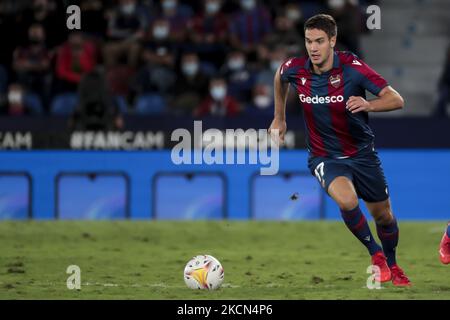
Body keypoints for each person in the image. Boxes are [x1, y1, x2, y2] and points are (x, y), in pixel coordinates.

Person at [269, 14, 411, 286]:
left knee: (384, 216)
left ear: (332, 41)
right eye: (309, 41)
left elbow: (397, 99)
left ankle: (393, 264)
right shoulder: (296, 69)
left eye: (319, 41)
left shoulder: (352, 68)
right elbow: (279, 76)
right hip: (324, 156)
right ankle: (376, 254)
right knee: (347, 201)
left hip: (362, 154)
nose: (313, 48)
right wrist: (280, 117)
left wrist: (369, 105)